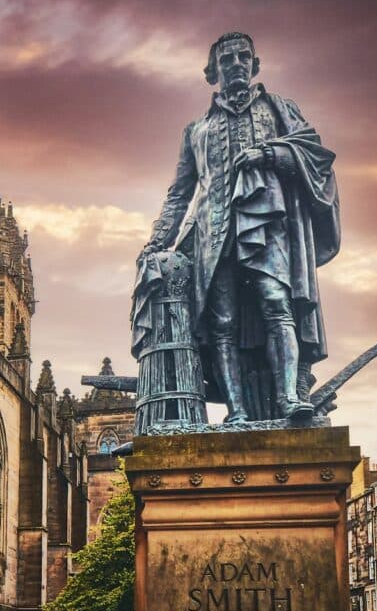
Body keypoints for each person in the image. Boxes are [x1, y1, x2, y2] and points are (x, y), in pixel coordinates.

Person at [136, 32, 340, 422]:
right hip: (213, 234)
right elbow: (180, 193)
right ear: (212, 71)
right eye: (226, 59)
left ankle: (289, 401)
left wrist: (270, 153)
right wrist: (156, 241)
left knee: (277, 305)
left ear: (254, 64)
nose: (236, 64)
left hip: (268, 223)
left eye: (243, 57)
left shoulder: (280, 110)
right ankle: (237, 412)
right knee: (222, 324)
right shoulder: (195, 130)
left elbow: (314, 154)